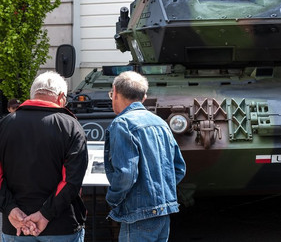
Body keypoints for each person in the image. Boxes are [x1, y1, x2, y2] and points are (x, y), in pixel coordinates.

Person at [0, 71, 87, 240]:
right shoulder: (71, 126)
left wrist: (10, 208)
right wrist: (45, 214)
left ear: (33, 94)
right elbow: (72, 180)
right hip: (60, 227)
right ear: (61, 97)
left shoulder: (4, 124)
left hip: (16, 227)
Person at [105, 71, 186, 241]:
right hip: (164, 212)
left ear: (115, 92)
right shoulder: (161, 123)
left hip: (137, 214)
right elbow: (179, 168)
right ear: (144, 97)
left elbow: (126, 174)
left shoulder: (122, 124)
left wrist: (112, 199)